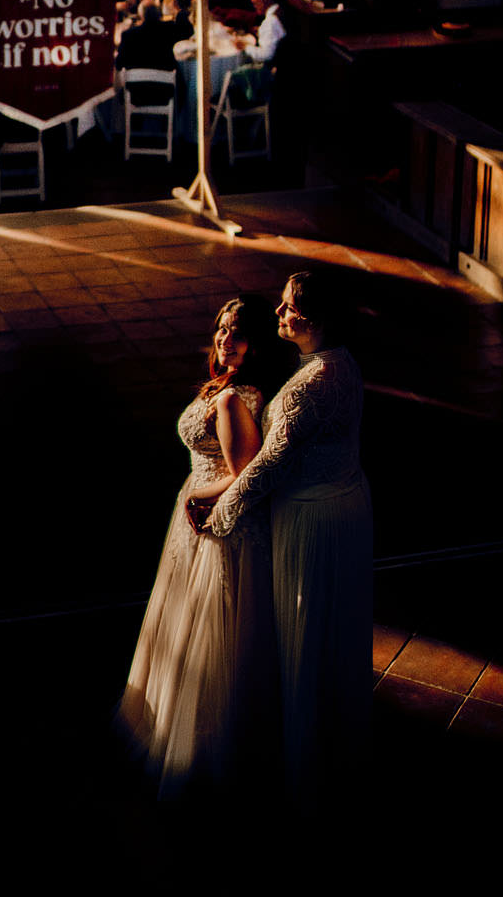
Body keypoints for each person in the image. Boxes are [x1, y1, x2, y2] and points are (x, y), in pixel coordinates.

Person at [200, 269, 372, 811]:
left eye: (287, 307)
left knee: (306, 632)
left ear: (315, 318)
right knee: (333, 632)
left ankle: (308, 773)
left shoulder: (312, 384)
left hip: (313, 518)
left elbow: (269, 465)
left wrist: (220, 511)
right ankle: (336, 748)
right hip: (344, 504)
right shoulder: (336, 365)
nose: (277, 314)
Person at [119, 296, 284, 797]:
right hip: (196, 515)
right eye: (221, 328)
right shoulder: (227, 387)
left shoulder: (236, 399)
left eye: (237, 332)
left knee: (216, 631)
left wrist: (199, 495)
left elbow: (243, 473)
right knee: (189, 624)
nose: (225, 338)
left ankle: (206, 743)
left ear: (256, 342)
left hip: (216, 522)